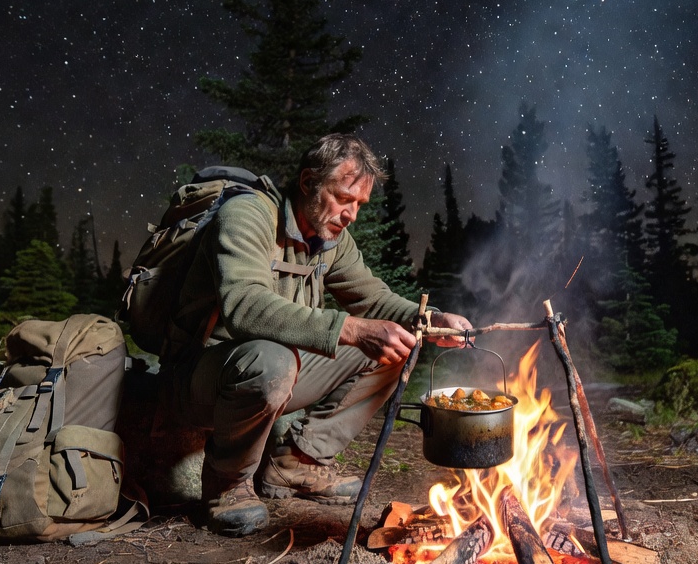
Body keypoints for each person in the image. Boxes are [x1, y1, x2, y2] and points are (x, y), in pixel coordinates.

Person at [167, 134, 471, 536]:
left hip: (275, 370)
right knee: (270, 361)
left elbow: (374, 300)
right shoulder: (247, 216)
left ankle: (296, 462)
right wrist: (348, 328)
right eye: (344, 198)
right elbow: (243, 305)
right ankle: (227, 484)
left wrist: (432, 320)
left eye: (359, 205)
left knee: (398, 344)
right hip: (201, 376)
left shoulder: (330, 242)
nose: (352, 215)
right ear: (309, 182)